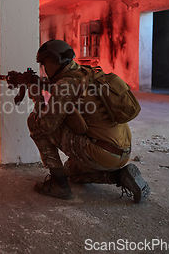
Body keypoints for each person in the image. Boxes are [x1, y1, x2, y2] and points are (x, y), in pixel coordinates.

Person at [27, 39, 150, 203]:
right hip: (121, 151)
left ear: (53, 61)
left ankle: (58, 184)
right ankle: (120, 176)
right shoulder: (87, 73)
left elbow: (46, 125)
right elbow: (69, 91)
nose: (44, 69)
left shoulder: (65, 84)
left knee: (35, 122)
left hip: (100, 151)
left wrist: (37, 97)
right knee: (71, 171)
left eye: (44, 63)